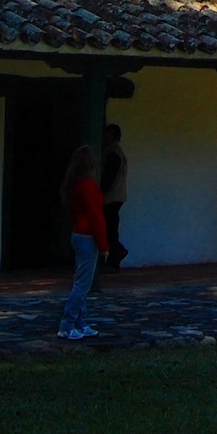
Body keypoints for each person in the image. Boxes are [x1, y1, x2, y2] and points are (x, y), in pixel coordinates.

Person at [58, 143, 107, 340]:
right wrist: (104, 245)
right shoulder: (88, 186)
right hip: (87, 236)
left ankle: (80, 321)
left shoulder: (75, 184)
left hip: (78, 234)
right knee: (82, 284)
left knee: (81, 280)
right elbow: (96, 216)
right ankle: (67, 323)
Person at [100, 124, 129, 273]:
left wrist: (100, 191)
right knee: (110, 226)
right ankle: (114, 256)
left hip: (111, 196)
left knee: (109, 228)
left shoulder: (113, 153)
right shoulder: (117, 152)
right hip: (117, 195)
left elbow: (108, 177)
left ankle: (115, 254)